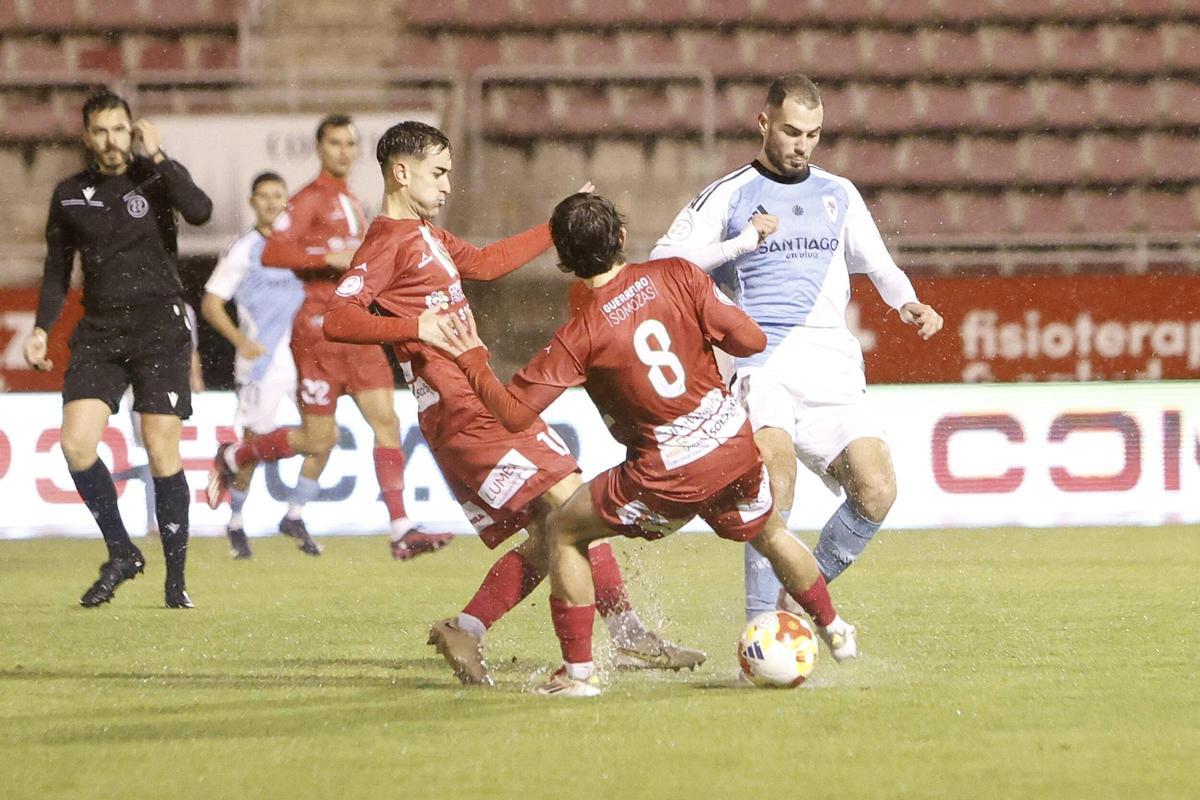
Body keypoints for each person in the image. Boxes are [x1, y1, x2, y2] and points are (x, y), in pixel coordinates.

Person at [322, 120, 705, 685]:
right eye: (439, 172)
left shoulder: (425, 235)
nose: (448, 184)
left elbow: (484, 264)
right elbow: (337, 316)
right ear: (401, 173)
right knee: (575, 508)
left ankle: (470, 628)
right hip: (460, 410)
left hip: (477, 400)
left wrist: (559, 225)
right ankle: (622, 638)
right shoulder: (387, 241)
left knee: (555, 532)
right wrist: (417, 326)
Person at [437, 193, 857, 697]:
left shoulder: (579, 334)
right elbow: (750, 342)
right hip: (731, 446)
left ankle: (579, 676)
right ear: (619, 237)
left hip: (668, 473)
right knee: (770, 531)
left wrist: (471, 359)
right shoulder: (678, 275)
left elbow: (512, 414)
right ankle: (834, 628)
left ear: (565, 261)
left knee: (566, 530)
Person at [649, 74, 944, 620]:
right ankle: (761, 629)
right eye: (791, 131)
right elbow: (663, 262)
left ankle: (791, 601)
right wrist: (739, 244)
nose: (802, 144)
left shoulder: (839, 193)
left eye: (813, 134)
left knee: (877, 490)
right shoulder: (730, 194)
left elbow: (879, 264)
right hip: (764, 363)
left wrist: (908, 302)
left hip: (833, 365)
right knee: (775, 481)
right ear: (764, 123)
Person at [206, 115, 454, 560]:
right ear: (320, 148)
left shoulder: (351, 200)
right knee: (319, 439)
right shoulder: (309, 199)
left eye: (350, 144)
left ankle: (400, 527)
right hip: (318, 331)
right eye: (335, 143)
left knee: (386, 420)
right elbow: (276, 251)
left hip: (356, 329)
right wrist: (329, 255)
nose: (344, 151)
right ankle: (237, 456)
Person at [22, 89, 212, 608]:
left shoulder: (155, 178)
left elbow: (200, 210)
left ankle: (176, 583)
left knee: (160, 448)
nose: (111, 140)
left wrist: (160, 155)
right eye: (101, 131)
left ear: (134, 130)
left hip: (159, 326)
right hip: (101, 330)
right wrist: (42, 327)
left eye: (120, 129)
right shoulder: (68, 193)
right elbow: (58, 270)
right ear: (87, 136)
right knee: (76, 445)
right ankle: (122, 551)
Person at [201, 171, 304, 559]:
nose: (272, 202)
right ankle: (236, 521)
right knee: (256, 446)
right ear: (252, 202)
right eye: (264, 196)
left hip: (301, 360)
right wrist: (241, 341)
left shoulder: (297, 246)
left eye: (279, 195)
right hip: (261, 366)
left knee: (323, 435)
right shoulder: (243, 249)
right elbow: (211, 303)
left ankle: (295, 514)